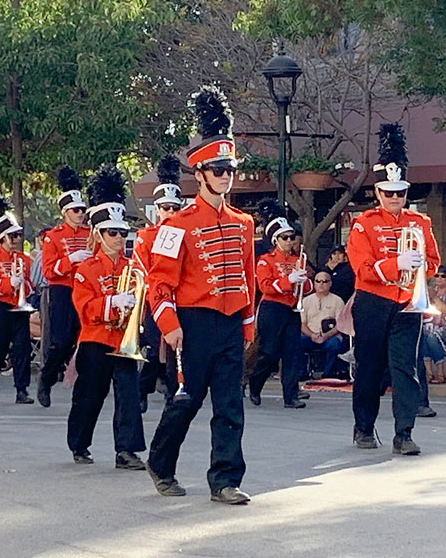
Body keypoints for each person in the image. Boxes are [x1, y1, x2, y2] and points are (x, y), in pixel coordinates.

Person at [145, 86, 254, 505]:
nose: (226, 175)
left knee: (230, 405)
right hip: (192, 324)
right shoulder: (177, 225)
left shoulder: (244, 222)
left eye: (229, 169)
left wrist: (247, 324)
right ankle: (160, 462)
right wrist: (170, 326)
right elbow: (160, 282)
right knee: (187, 399)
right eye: (218, 169)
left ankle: (224, 479)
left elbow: (247, 278)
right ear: (201, 173)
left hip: (229, 323)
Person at [347, 123, 440, 456]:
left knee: (405, 368)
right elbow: (362, 268)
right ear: (378, 192)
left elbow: (434, 262)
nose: (396, 198)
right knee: (370, 366)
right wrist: (396, 264)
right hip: (373, 302)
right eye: (389, 192)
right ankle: (363, 426)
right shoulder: (364, 224)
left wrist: (419, 268)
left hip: (406, 304)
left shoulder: (421, 223)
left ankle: (404, 432)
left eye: (400, 192)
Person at [66, 164, 146, 468]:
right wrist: (112, 301)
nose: (119, 237)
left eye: (123, 232)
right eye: (113, 232)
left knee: (128, 396)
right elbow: (84, 308)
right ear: (99, 235)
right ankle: (79, 444)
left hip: (123, 342)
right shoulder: (86, 269)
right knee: (90, 396)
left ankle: (126, 451)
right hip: (96, 340)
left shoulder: (131, 268)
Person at [249, 199, 312, 408]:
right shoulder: (266, 260)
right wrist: (289, 281)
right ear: (276, 240)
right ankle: (255, 383)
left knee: (292, 353)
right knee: (269, 352)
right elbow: (266, 286)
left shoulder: (298, 260)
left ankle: (291, 396)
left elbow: (309, 287)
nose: (289, 241)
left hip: (291, 309)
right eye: (285, 238)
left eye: (291, 237)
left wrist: (306, 282)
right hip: (272, 309)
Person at [37, 166, 91, 407]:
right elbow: (49, 271)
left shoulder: (91, 233)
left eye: (83, 210)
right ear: (65, 212)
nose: (81, 214)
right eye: (76, 210)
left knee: (87, 340)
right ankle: (46, 381)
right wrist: (70, 260)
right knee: (60, 341)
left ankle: (83, 386)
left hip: (86, 291)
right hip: (63, 291)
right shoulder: (54, 236)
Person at [133, 154, 183, 413]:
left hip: (180, 300)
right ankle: (142, 392)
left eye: (175, 208)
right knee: (152, 352)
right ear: (158, 209)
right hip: (155, 299)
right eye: (166, 208)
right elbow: (140, 268)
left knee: (176, 351)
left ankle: (172, 395)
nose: (171, 213)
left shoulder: (184, 234)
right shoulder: (146, 236)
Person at [0, 195, 34, 403]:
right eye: (13, 236)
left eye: (18, 235)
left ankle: (22, 389)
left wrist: (23, 285)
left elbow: (29, 286)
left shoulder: (24, 259)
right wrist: (10, 283)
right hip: (0, 307)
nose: (17, 239)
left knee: (22, 349)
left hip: (19, 309)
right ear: (2, 238)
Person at [298, 270, 346, 379]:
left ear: (330, 283)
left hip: (330, 337)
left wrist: (326, 336)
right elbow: (302, 324)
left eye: (325, 281)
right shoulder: (306, 301)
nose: (321, 284)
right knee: (296, 342)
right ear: (314, 283)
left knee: (335, 344)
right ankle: (302, 372)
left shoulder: (338, 301)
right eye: (318, 281)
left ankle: (328, 373)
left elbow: (340, 325)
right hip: (310, 336)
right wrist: (312, 335)